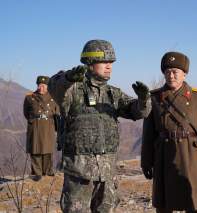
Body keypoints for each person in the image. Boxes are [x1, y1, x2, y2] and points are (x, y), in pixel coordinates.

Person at [48, 39, 151, 213]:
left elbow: (138, 112)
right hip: (79, 175)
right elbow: (55, 88)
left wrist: (143, 100)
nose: (109, 66)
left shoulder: (113, 93)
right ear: (90, 63)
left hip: (107, 174)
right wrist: (67, 79)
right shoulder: (73, 89)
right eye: (104, 62)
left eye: (111, 62)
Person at [141, 51, 197, 213]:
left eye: (175, 72)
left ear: (185, 74)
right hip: (163, 154)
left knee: (192, 201)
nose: (171, 76)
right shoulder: (154, 98)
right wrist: (146, 161)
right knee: (163, 203)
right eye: (167, 72)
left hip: (190, 155)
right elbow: (148, 134)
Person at [23, 76, 59, 181]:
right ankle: (36, 173)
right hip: (35, 125)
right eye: (39, 85)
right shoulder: (30, 97)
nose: (40, 87)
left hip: (49, 125)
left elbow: (57, 113)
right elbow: (26, 113)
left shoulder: (53, 98)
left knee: (47, 149)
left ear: (47, 86)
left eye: (43, 85)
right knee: (35, 149)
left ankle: (47, 171)